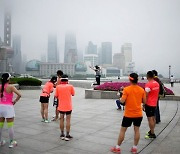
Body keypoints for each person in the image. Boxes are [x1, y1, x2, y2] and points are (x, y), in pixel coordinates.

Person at [111, 73, 146, 154]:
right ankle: (134, 148)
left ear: (130, 79)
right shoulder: (141, 90)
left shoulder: (126, 89)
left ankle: (117, 148)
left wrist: (120, 97)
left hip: (128, 114)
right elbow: (144, 101)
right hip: (138, 114)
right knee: (137, 130)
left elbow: (122, 101)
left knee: (123, 130)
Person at [0, 73, 21, 148]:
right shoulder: (11, 87)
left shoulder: (0, 86)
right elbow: (19, 95)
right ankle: (11, 142)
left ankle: (0, 141)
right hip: (8, 108)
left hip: (1, 107)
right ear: (8, 79)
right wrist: (15, 101)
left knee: (0, 125)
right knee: (10, 126)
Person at [55, 74, 75, 141]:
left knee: (61, 120)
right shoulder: (70, 86)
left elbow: (56, 96)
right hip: (68, 106)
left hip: (61, 106)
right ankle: (67, 135)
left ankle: (62, 134)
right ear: (67, 80)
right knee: (68, 120)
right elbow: (73, 94)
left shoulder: (58, 87)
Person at [144, 71, 159, 139]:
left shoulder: (148, 85)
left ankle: (152, 134)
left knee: (150, 119)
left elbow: (146, 95)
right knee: (153, 118)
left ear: (147, 76)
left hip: (149, 104)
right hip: (154, 103)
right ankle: (151, 131)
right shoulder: (156, 83)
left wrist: (144, 104)